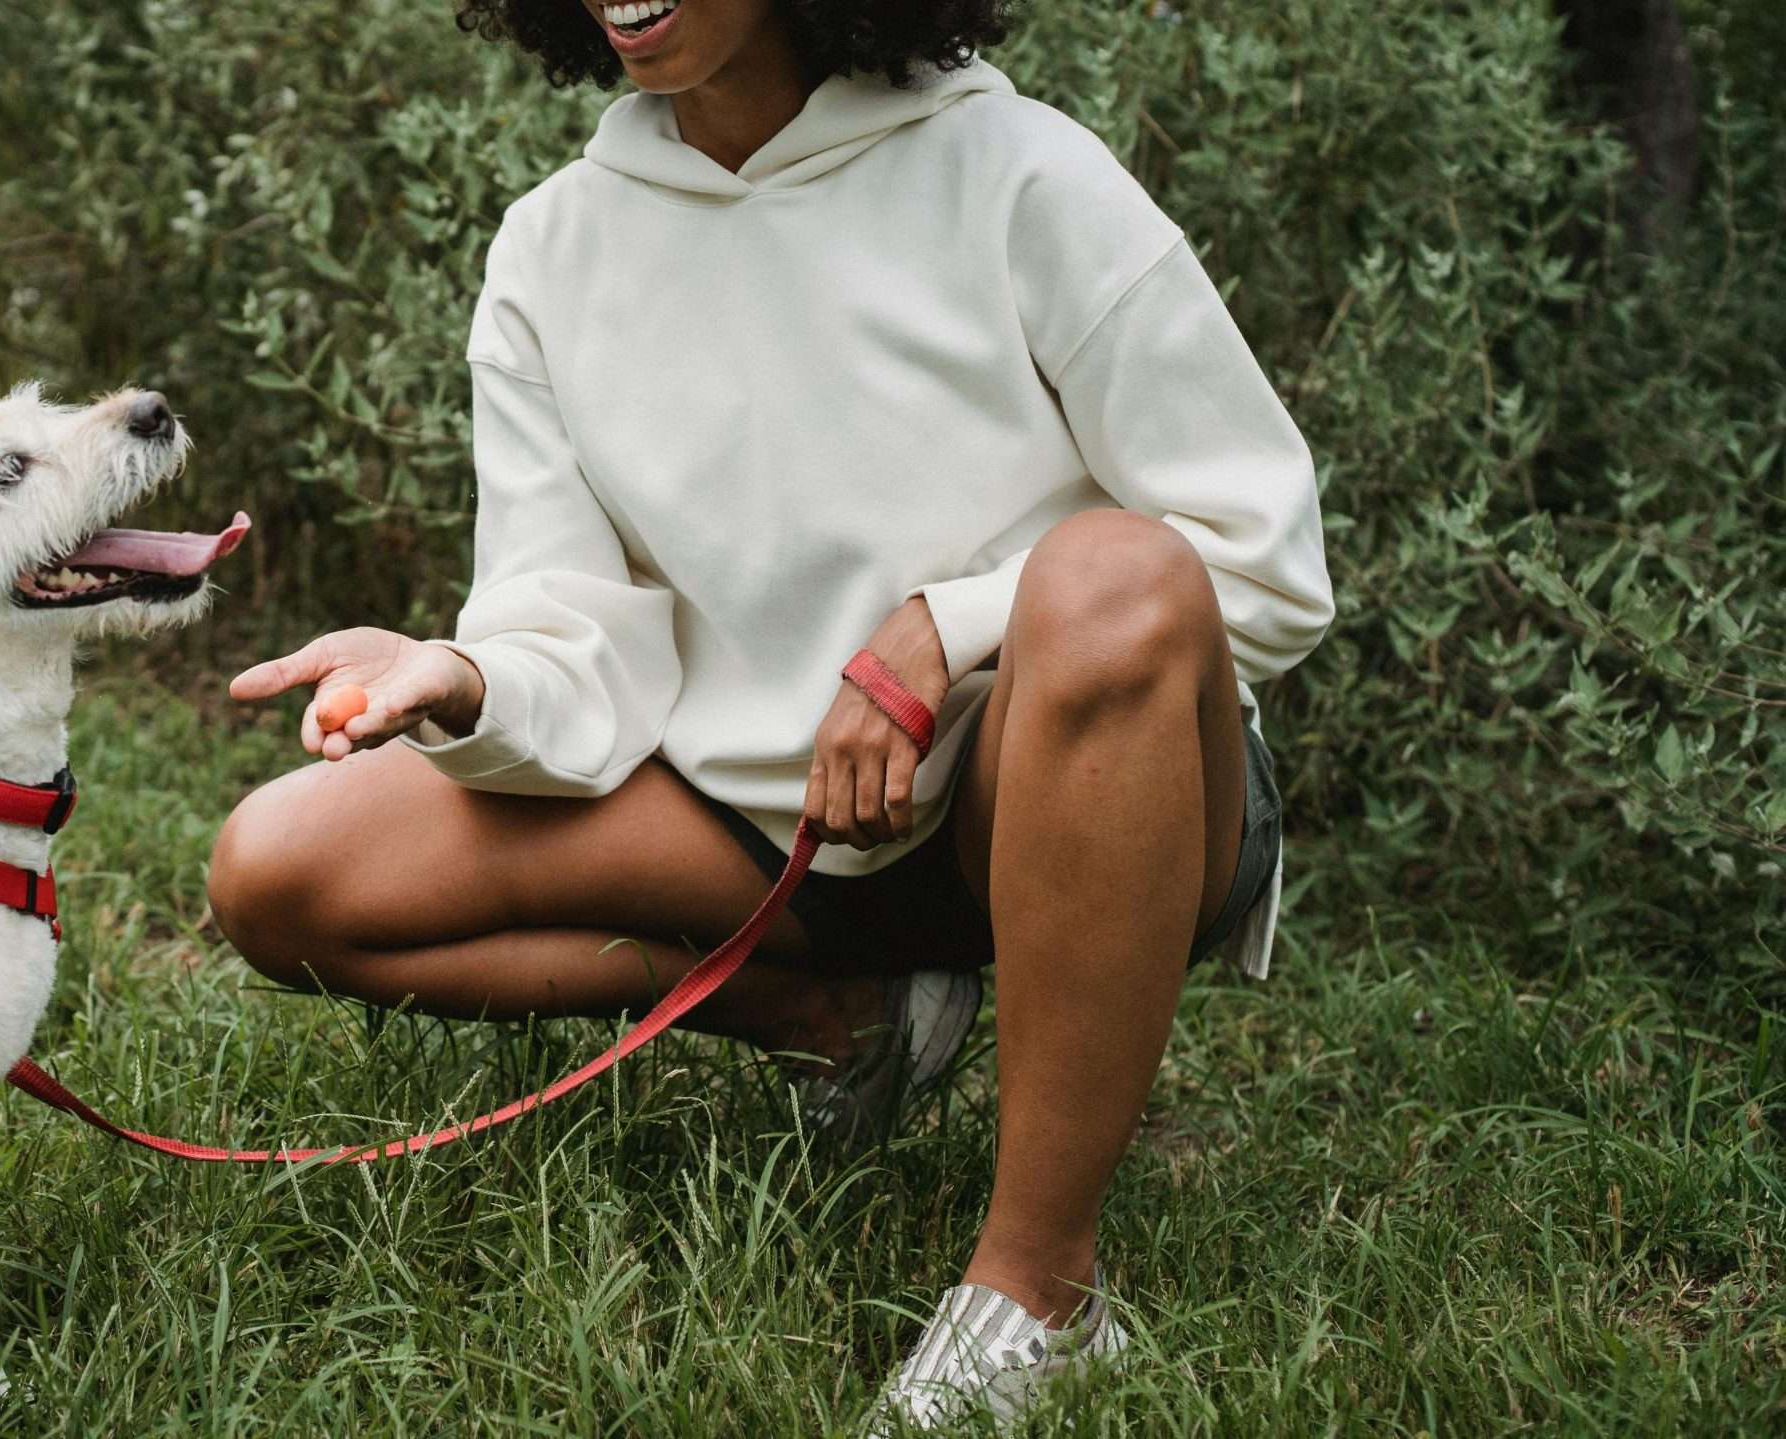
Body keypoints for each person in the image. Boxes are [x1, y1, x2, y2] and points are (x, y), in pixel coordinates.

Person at [208, 0, 1332, 1424]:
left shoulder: (1021, 171)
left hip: (1053, 800)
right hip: (767, 835)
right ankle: (842, 1016)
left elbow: (1258, 561)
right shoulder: (555, 249)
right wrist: (472, 677)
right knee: (281, 871)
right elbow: (577, 631)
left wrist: (946, 633)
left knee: (1112, 575)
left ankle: (1041, 1284)